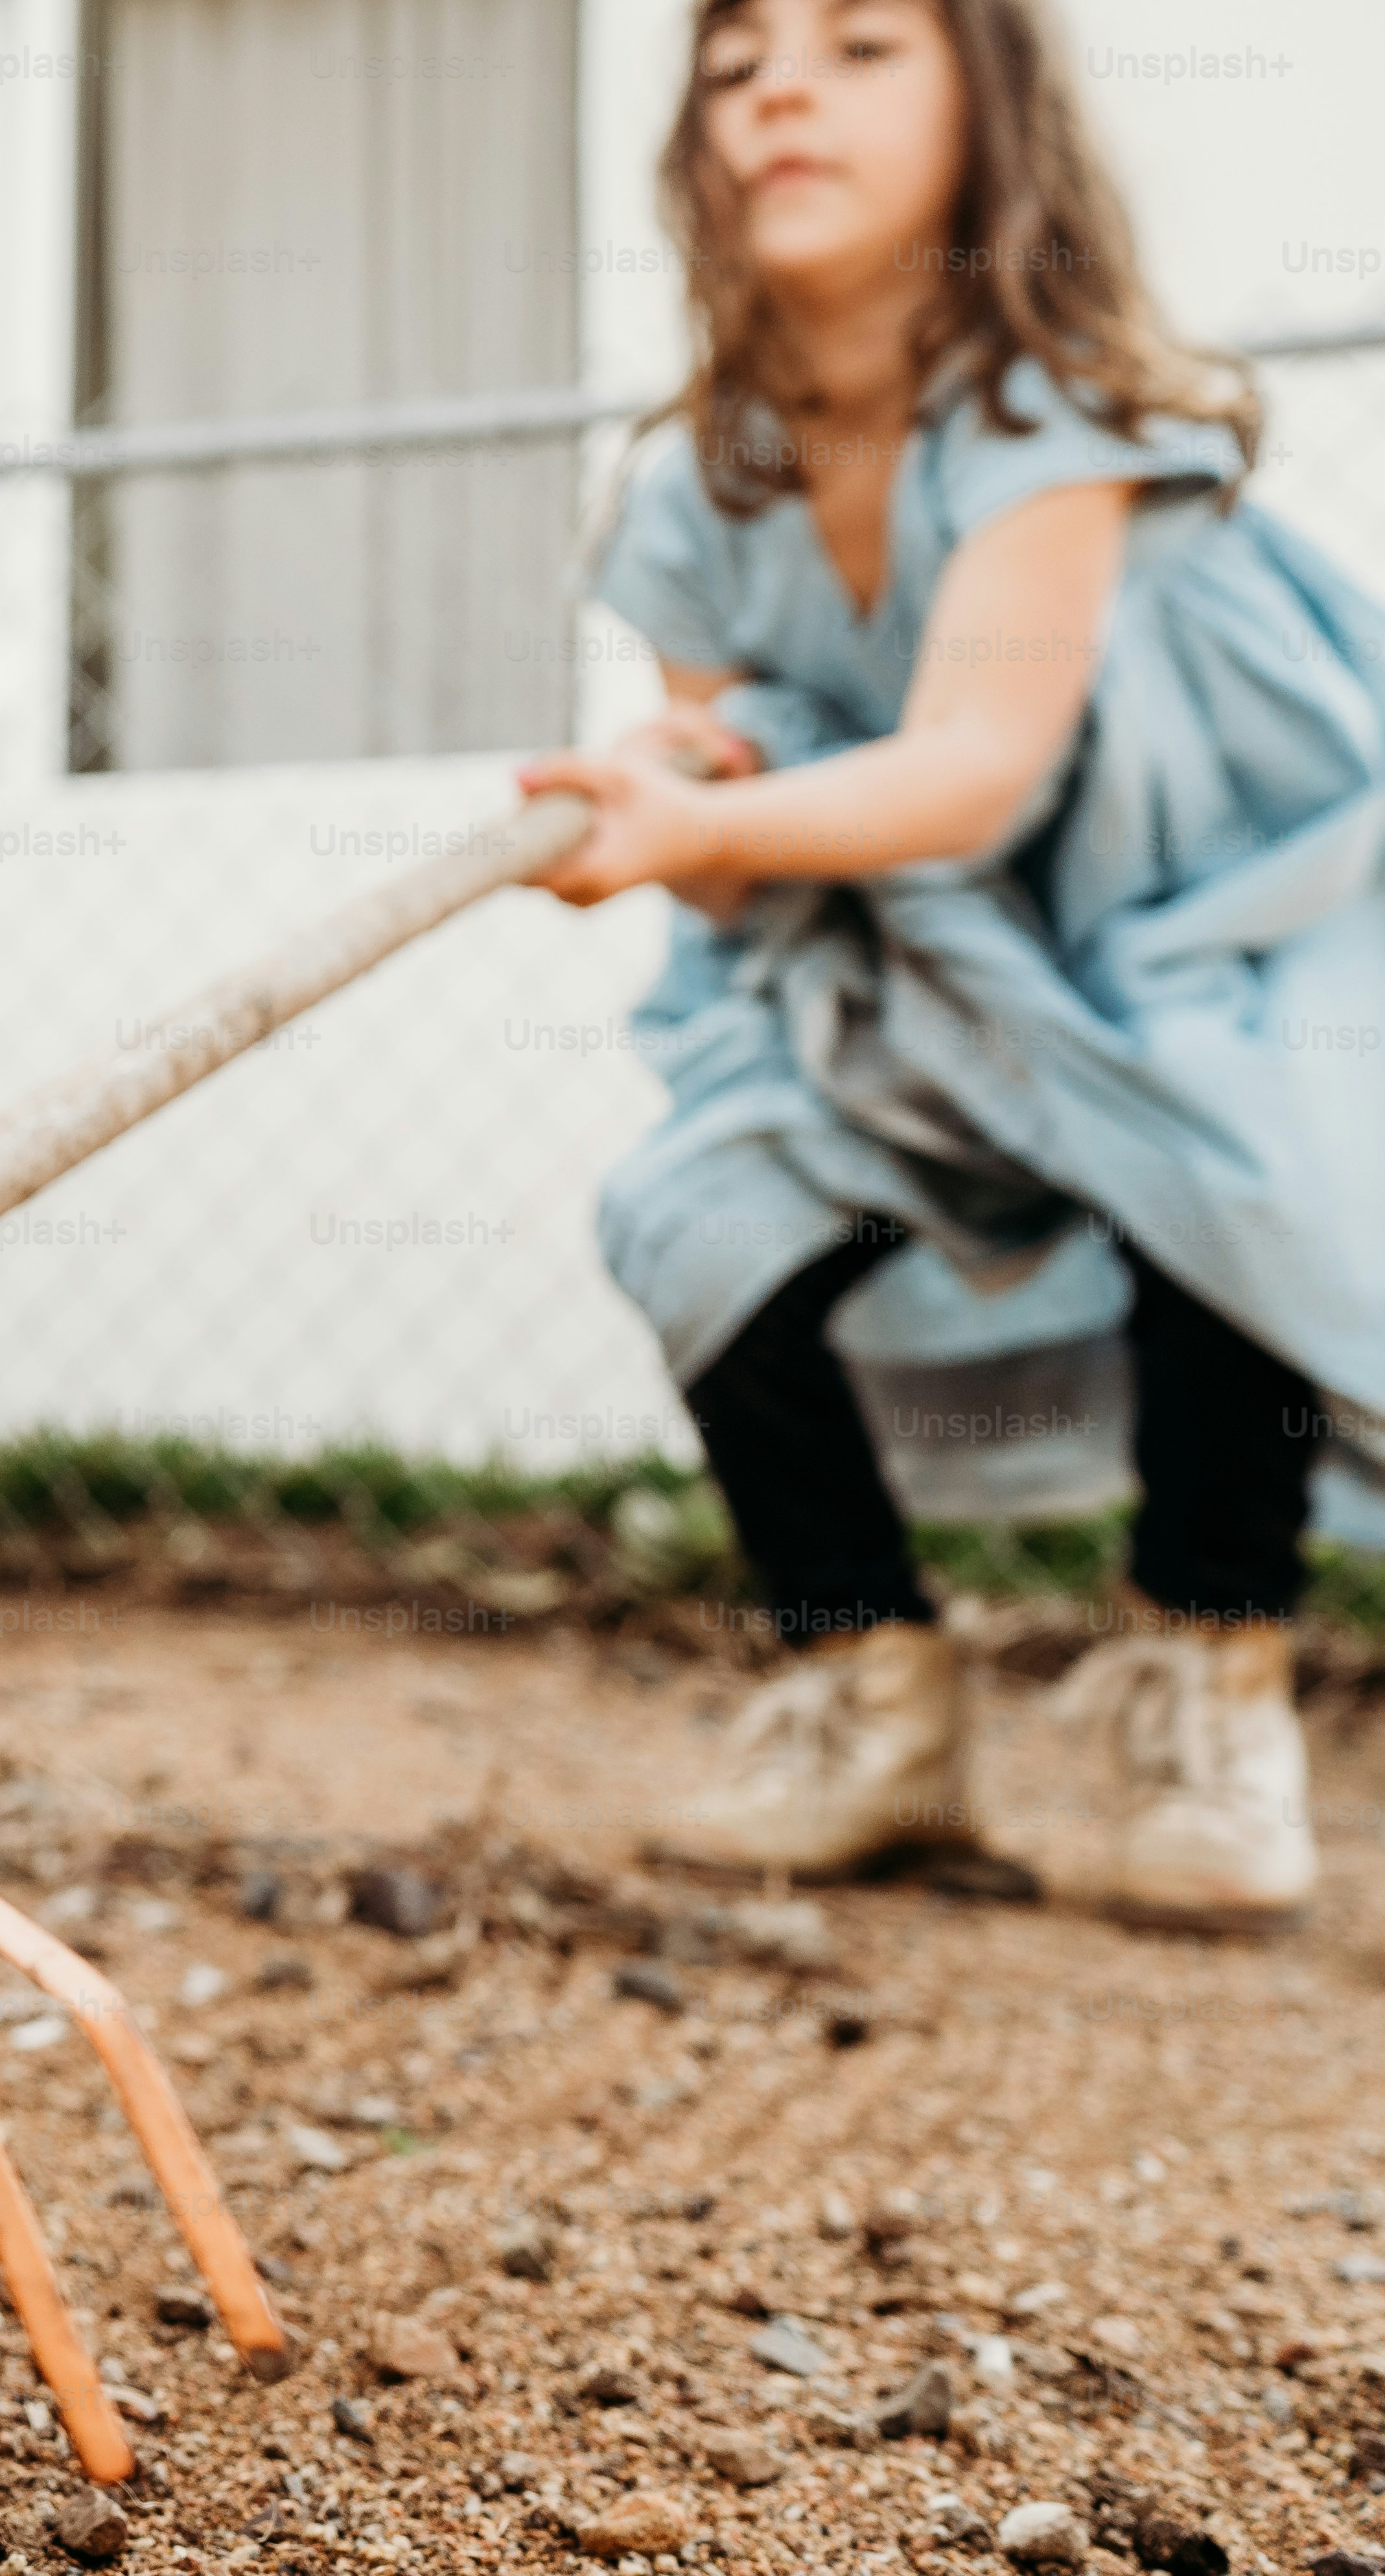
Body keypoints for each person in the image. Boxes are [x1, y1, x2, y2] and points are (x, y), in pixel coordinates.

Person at [523, 0, 1385, 1928]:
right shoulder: (700, 483)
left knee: (1214, 1154)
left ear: (992, 115)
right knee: (696, 1198)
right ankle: (868, 1694)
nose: (783, 95)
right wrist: (684, 773)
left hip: (1203, 899)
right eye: (739, 65)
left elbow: (980, 769)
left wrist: (700, 821)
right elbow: (747, 853)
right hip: (913, 939)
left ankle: (1206, 1684)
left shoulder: (1050, 410)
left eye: (857, 48)